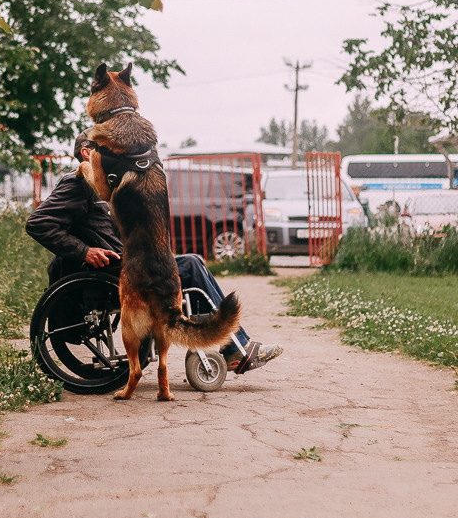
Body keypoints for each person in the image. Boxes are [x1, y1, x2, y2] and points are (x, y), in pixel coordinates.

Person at [25, 132, 282, 373]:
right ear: (86, 153)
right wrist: (84, 251)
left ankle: (234, 344)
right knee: (191, 265)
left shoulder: (97, 184)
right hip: (118, 272)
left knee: (193, 262)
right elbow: (37, 223)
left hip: (129, 265)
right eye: (105, 150)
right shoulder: (76, 184)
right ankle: (236, 348)